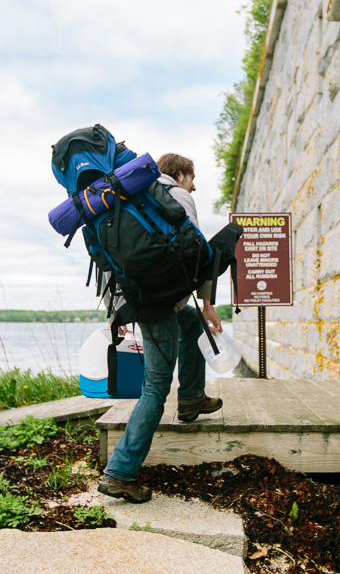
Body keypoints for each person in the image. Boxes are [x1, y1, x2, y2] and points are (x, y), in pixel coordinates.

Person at [97, 153, 224, 503]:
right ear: (179, 174)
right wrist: (209, 303)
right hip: (160, 305)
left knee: (191, 323)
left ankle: (192, 399)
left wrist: (116, 313)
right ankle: (120, 472)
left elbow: (108, 262)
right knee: (154, 387)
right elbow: (194, 252)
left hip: (140, 299)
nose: (194, 184)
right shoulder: (178, 197)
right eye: (192, 176)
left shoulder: (127, 202)